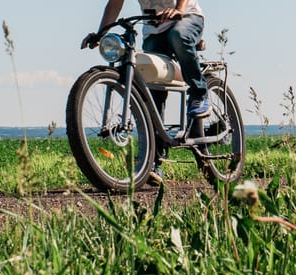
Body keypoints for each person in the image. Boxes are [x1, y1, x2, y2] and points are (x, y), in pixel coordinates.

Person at [81, 0, 209, 185]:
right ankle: (154, 161)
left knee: (178, 36)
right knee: (153, 89)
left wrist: (178, 9)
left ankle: (199, 94)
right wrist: (101, 33)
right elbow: (115, 3)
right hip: (154, 28)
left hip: (187, 17)